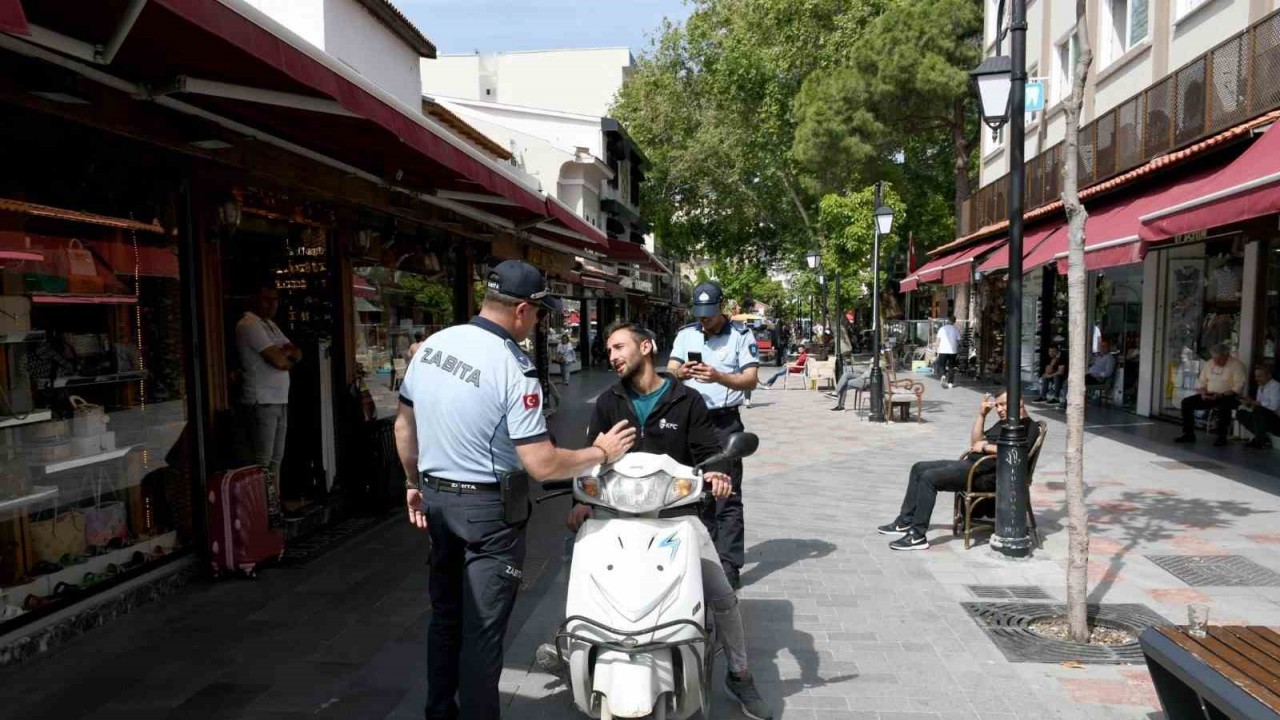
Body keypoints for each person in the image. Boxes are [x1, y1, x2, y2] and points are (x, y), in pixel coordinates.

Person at [395, 260, 636, 720]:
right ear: (522, 310)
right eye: (540, 313)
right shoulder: (514, 366)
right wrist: (599, 453)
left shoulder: (430, 348)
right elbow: (542, 464)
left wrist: (413, 483)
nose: (539, 323)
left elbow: (404, 430)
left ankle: (439, 711)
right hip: (487, 513)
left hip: (438, 501)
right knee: (482, 633)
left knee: (446, 618)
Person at [536, 322, 774, 720]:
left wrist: (717, 474)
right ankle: (571, 645)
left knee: (722, 593)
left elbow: (709, 453)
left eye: (619, 346)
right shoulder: (608, 401)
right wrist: (582, 498)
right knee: (575, 565)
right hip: (613, 516)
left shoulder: (688, 400)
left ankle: (739, 671)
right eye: (609, 349)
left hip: (676, 517)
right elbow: (593, 456)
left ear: (646, 347)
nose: (612, 355)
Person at [668, 282, 760, 589]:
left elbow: (750, 381)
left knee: (728, 496)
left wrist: (718, 376)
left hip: (724, 423)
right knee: (694, 492)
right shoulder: (686, 334)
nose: (705, 320)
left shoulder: (740, 336)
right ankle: (701, 560)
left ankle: (729, 566)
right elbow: (670, 370)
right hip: (691, 422)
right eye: (700, 314)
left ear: (722, 307)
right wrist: (681, 373)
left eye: (710, 314)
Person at [877, 393, 1039, 550]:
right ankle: (905, 521)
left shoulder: (1028, 426)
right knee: (918, 467)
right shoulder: (1004, 422)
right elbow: (975, 441)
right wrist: (981, 415)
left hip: (986, 475)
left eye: (1003, 405)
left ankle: (917, 536)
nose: (999, 409)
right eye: (997, 405)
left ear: (1019, 403)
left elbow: (1018, 453)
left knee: (929, 478)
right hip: (972, 465)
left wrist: (985, 447)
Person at [235, 283, 302, 485]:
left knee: (276, 459)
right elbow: (279, 361)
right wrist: (284, 354)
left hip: (279, 399)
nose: (272, 304)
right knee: (262, 461)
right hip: (261, 400)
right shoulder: (249, 324)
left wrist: (285, 353)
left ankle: (273, 508)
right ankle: (261, 509)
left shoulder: (270, 325)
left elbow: (297, 353)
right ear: (254, 299)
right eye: (266, 299)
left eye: (275, 299)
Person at [1175, 343, 1247, 446]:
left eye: (1219, 359)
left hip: (1228, 395)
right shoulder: (1209, 363)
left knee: (1224, 407)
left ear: (1226, 355)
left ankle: (1221, 437)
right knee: (1186, 403)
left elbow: (1238, 386)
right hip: (1210, 394)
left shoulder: (1237, 365)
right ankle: (1188, 434)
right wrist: (1203, 392)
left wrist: (1221, 395)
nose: (1216, 362)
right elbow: (1201, 382)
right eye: (1214, 359)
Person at [1236, 364, 1280, 449]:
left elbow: (1273, 407)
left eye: (1260, 376)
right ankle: (1262, 438)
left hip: (1276, 419)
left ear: (1269, 375)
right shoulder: (1260, 387)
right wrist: (1248, 403)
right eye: (1256, 376)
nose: (1256, 379)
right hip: (1264, 417)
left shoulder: (1276, 386)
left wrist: (1253, 402)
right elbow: (1258, 404)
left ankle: (1259, 440)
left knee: (1258, 410)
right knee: (1240, 414)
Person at [936, 316, 961, 388]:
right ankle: (950, 383)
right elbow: (959, 342)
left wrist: (936, 350)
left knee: (941, 365)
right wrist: (959, 350)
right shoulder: (956, 329)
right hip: (953, 351)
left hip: (943, 350)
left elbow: (938, 340)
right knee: (951, 367)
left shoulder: (942, 329)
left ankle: (943, 375)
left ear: (948, 320)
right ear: (954, 321)